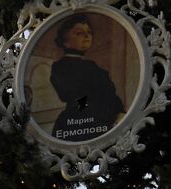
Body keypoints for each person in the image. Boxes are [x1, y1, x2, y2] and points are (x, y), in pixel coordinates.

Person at [47, 14, 125, 143]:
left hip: (106, 119)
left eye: (89, 32)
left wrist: (119, 112)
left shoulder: (91, 65)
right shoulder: (61, 67)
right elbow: (71, 96)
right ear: (65, 41)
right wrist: (93, 100)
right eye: (79, 33)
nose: (86, 36)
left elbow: (109, 93)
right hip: (77, 122)